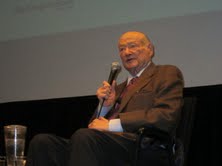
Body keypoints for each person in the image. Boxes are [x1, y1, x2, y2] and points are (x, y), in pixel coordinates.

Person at [25, 31, 184, 166]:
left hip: (144, 145)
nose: (126, 52)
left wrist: (112, 125)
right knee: (43, 143)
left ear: (150, 49)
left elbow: (165, 116)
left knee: (85, 137)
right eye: (122, 49)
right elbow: (93, 127)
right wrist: (106, 107)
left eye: (133, 46)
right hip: (108, 144)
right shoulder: (118, 88)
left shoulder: (166, 73)